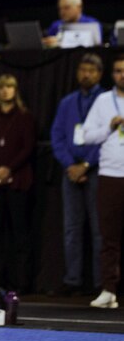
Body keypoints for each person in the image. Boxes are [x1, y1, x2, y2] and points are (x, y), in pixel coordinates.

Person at [50, 53, 103, 296]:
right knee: (71, 228)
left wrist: (87, 164)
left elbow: (108, 137)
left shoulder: (106, 101)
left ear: (99, 74)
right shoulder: (67, 102)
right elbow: (58, 136)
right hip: (70, 172)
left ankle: (100, 282)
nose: (86, 74)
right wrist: (71, 165)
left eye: (91, 71)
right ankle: (73, 280)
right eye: (83, 70)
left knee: (98, 228)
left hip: (98, 170)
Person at [0, 74, 36, 294]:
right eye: (1, 87)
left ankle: (20, 283)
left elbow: (27, 147)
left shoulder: (24, 117)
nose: (5, 91)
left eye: (10, 86)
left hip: (18, 182)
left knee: (19, 234)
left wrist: (9, 169)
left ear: (16, 90)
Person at [83, 54, 124, 309]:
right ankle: (109, 289)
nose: (122, 75)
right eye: (119, 70)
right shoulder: (102, 101)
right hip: (110, 175)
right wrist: (109, 127)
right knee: (109, 236)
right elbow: (87, 136)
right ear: (112, 74)